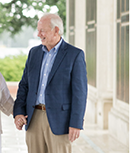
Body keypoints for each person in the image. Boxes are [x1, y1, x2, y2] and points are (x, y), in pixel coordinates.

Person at [13, 13, 88, 153]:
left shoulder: (75, 55)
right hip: (33, 117)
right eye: (38, 30)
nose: (38, 34)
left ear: (56, 30)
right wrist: (18, 112)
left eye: (42, 30)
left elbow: (80, 93)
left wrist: (76, 123)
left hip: (60, 121)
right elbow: (24, 85)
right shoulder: (33, 53)